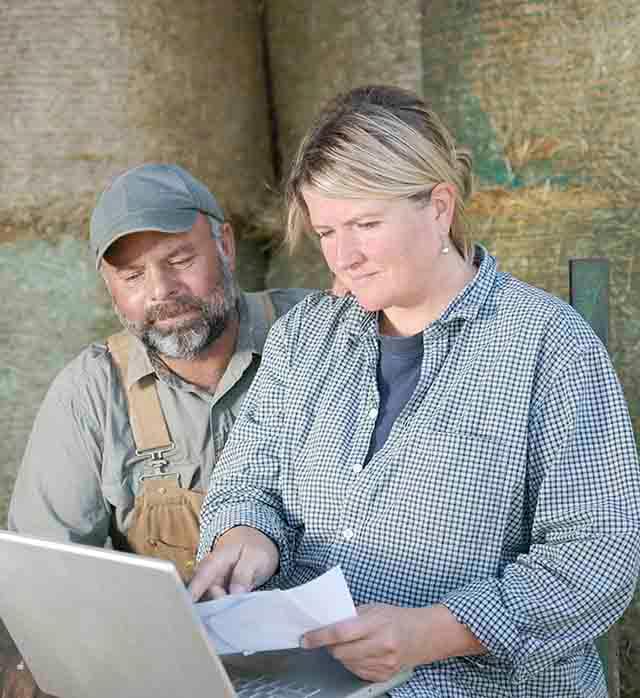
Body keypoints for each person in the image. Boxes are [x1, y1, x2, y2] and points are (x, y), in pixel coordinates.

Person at [190, 86, 640, 696]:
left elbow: (597, 558)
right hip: (301, 680)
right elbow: (248, 478)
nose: (343, 256)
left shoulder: (548, 346)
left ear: (439, 207)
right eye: (326, 231)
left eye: (365, 224)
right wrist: (247, 535)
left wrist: (435, 631)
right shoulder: (306, 337)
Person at [8, 163, 310, 583]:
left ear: (225, 244)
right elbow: (47, 574)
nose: (161, 289)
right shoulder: (90, 394)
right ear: (107, 286)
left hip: (340, 639)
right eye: (132, 276)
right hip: (176, 647)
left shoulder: (318, 334)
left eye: (180, 259)